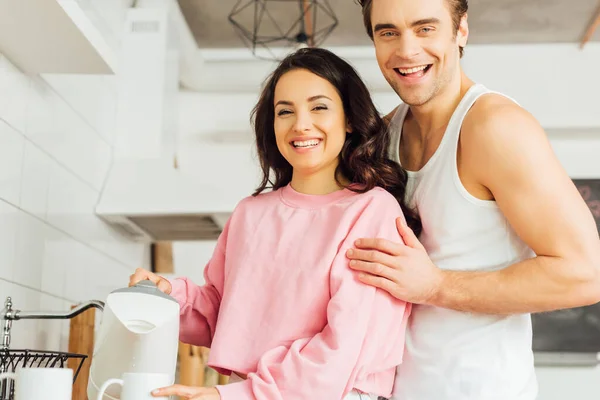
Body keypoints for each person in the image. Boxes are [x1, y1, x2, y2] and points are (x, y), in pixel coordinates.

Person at [129, 47, 421, 400]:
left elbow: (347, 346)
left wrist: (241, 395)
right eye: (285, 111)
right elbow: (223, 314)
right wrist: (167, 295)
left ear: (348, 118)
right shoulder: (250, 214)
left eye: (319, 107)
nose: (301, 124)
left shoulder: (371, 211)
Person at [346, 0, 600, 399]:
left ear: (461, 30)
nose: (406, 50)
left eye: (425, 28)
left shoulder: (495, 128)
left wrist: (435, 287)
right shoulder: (384, 133)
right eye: (388, 32)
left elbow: (586, 274)